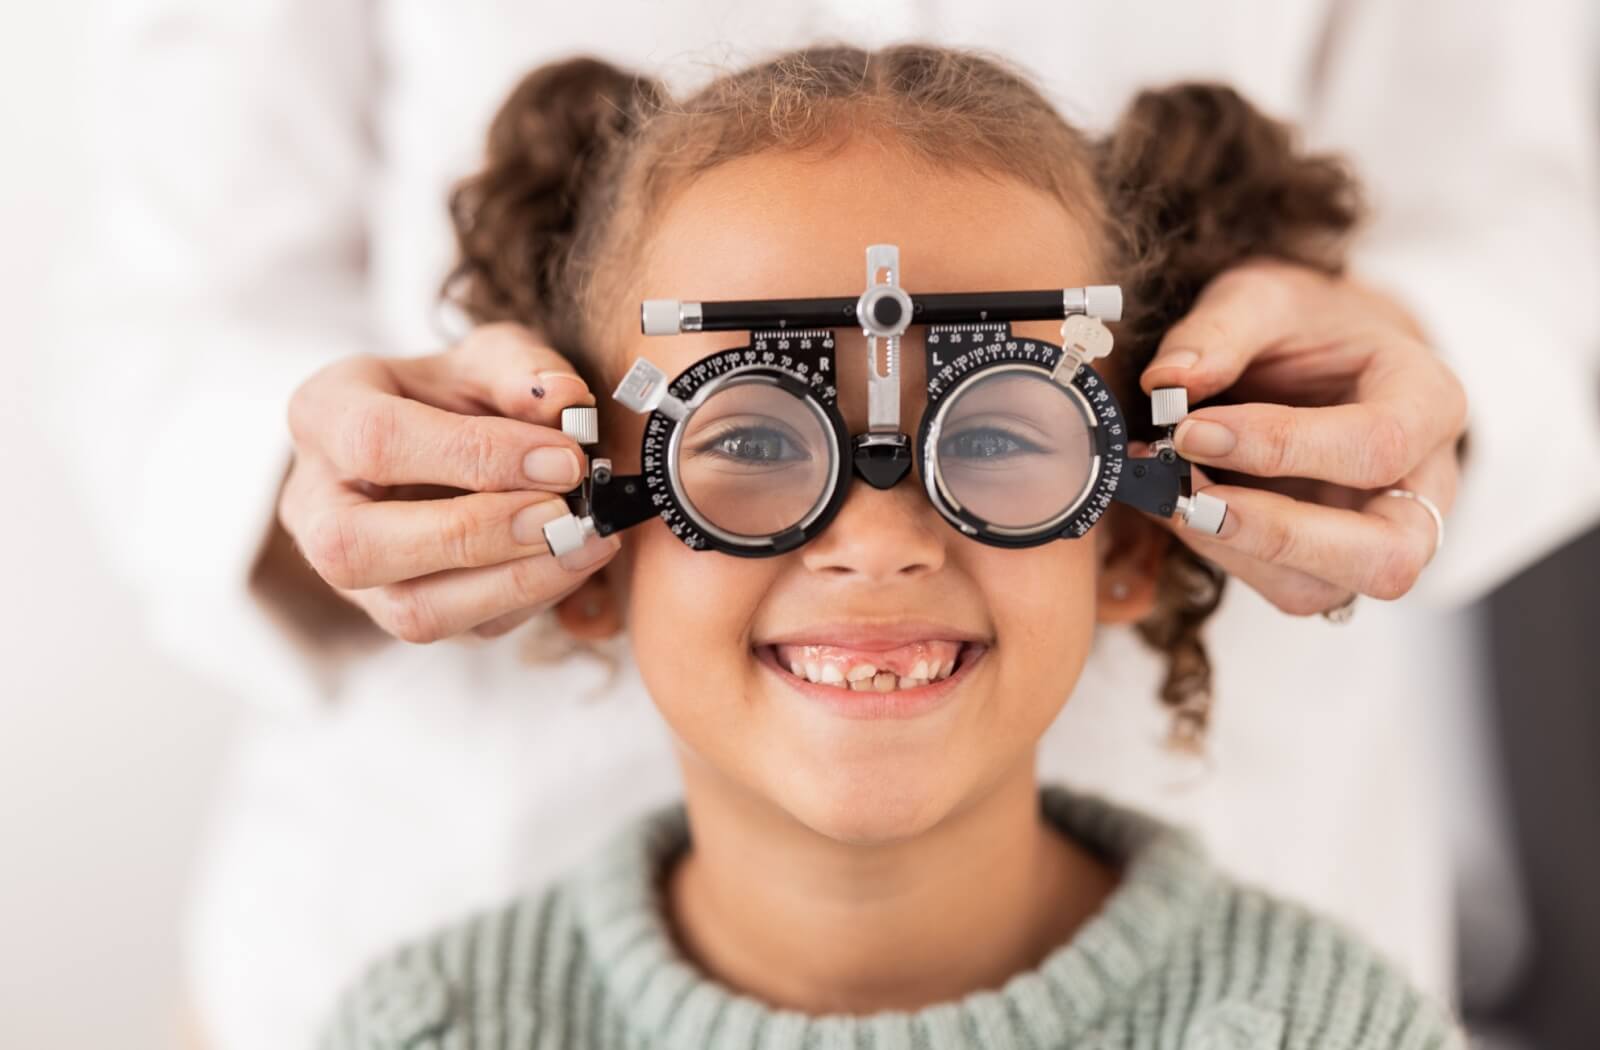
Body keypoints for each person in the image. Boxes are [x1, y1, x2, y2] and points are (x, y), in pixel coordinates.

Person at [55, 4, 1597, 1049]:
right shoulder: (430, 1019)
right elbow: (175, 301)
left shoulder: (1320, 1021)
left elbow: (1546, 211)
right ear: (587, 550)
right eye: (748, 440)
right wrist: (369, 476)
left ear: (1131, 534)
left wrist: (1396, 369)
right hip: (437, 838)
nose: (876, 532)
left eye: (995, 431)